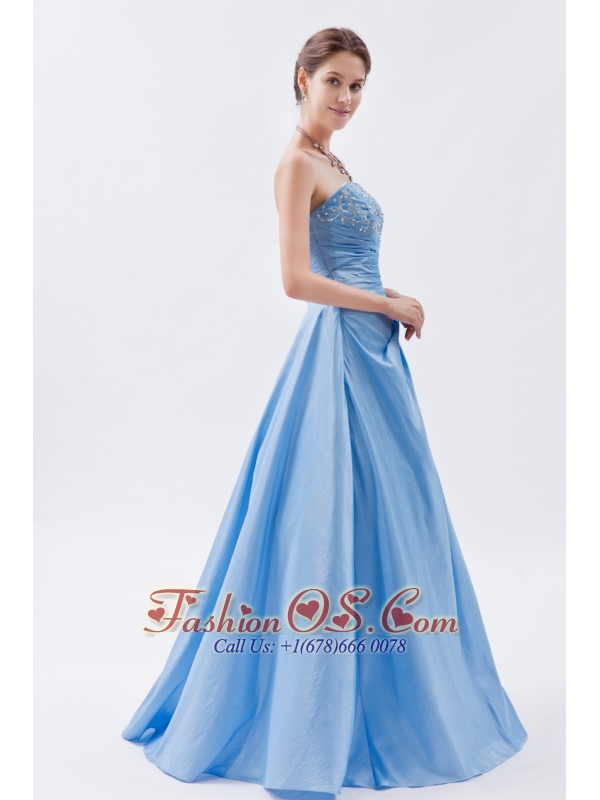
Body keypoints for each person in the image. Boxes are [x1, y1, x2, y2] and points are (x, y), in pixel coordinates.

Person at [122, 27, 527, 795]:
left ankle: (398, 691)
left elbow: (350, 265)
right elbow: (295, 280)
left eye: (358, 86)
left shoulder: (333, 162)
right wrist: (385, 303)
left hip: (372, 351)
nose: (346, 97)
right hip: (339, 351)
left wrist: (389, 298)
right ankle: (319, 707)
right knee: (328, 510)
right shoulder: (295, 165)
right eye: (335, 81)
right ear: (302, 78)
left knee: (393, 507)